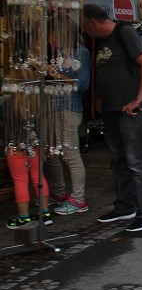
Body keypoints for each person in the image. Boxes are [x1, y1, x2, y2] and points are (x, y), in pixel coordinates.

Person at [82, 3, 142, 232]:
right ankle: (125, 205)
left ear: (92, 23)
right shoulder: (100, 40)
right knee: (118, 159)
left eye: (84, 26)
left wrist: (138, 99)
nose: (83, 31)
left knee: (136, 160)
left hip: (129, 109)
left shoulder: (124, 32)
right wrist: (98, 96)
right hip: (111, 108)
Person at [45, 27, 92, 216]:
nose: (50, 37)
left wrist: (56, 75)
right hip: (53, 106)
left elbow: (82, 84)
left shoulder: (80, 52)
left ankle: (78, 199)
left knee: (71, 154)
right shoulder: (57, 53)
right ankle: (59, 193)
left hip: (69, 108)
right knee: (52, 152)